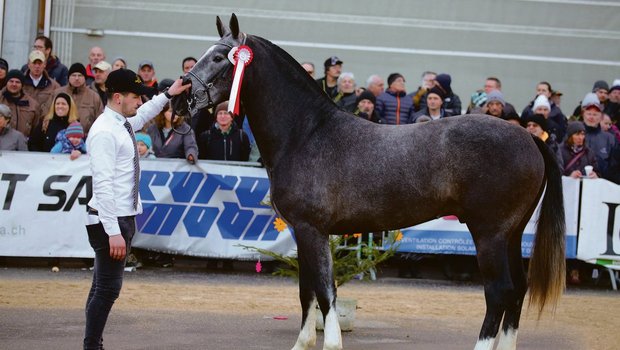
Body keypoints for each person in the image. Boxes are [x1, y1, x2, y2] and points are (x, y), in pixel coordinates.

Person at [83, 69, 189, 349]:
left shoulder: (120, 122)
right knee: (107, 290)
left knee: (101, 288)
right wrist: (113, 231)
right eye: (135, 97)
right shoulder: (105, 132)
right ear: (118, 98)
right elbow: (102, 185)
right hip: (111, 220)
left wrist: (168, 94)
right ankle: (91, 346)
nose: (140, 102)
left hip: (118, 218)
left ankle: (93, 344)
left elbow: (142, 115)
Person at [53, 63, 104, 135]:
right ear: (68, 77)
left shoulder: (94, 97)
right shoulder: (57, 93)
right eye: (73, 75)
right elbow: (47, 115)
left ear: (85, 78)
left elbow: (100, 121)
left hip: (85, 139)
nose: (77, 78)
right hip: (58, 139)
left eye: (80, 75)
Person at [581, 92, 617, 174]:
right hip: (577, 183)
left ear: (601, 117)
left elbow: (615, 166)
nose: (591, 117)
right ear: (583, 115)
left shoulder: (610, 139)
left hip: (601, 184)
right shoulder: (573, 134)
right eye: (589, 113)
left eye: (595, 114)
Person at [0, 69, 40, 138]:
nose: (14, 84)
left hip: (23, 145)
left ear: (22, 85)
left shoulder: (33, 104)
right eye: (11, 81)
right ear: (6, 82)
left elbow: (36, 127)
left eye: (17, 82)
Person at [22, 50, 60, 115]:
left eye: (40, 63)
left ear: (45, 64)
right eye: (34, 63)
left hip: (44, 123)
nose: (37, 66)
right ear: (28, 64)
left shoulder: (54, 86)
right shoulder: (19, 83)